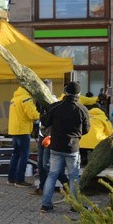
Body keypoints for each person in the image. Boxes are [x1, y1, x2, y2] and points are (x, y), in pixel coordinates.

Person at [40, 81, 90, 212]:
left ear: (65, 92)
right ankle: (75, 205)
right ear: (79, 94)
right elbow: (86, 130)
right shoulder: (82, 109)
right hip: (72, 148)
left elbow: (45, 122)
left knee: (52, 175)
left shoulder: (55, 107)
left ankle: (46, 205)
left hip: (56, 146)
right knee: (74, 177)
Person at [7, 86, 40, 187]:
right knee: (24, 156)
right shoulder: (26, 98)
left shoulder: (14, 99)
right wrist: (43, 115)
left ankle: (11, 179)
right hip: (23, 130)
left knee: (15, 155)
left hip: (14, 130)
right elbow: (32, 114)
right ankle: (20, 180)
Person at [79, 101, 113, 166]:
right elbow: (110, 131)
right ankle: (95, 162)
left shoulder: (85, 115)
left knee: (83, 146)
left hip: (82, 141)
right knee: (97, 147)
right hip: (97, 141)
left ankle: (83, 159)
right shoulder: (103, 117)